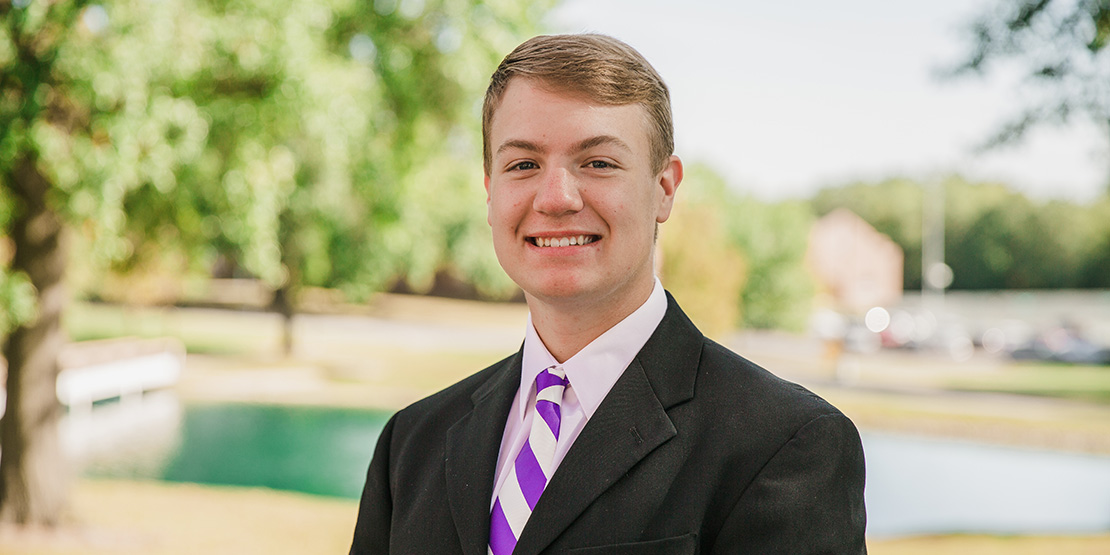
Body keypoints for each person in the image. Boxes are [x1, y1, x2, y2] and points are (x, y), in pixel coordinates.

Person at [350, 34, 867, 554]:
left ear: (664, 188)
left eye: (597, 162)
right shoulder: (411, 443)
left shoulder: (786, 446)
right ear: (490, 191)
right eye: (523, 164)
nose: (556, 198)